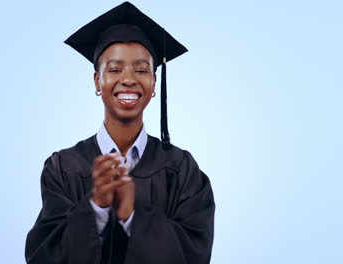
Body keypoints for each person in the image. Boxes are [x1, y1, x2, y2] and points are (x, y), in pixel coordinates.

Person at [25, 2, 215, 263]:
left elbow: (196, 252)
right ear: (97, 81)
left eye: (140, 70)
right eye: (114, 69)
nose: (128, 79)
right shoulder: (63, 167)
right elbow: (43, 254)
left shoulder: (181, 169)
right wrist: (96, 208)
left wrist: (133, 216)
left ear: (154, 83)